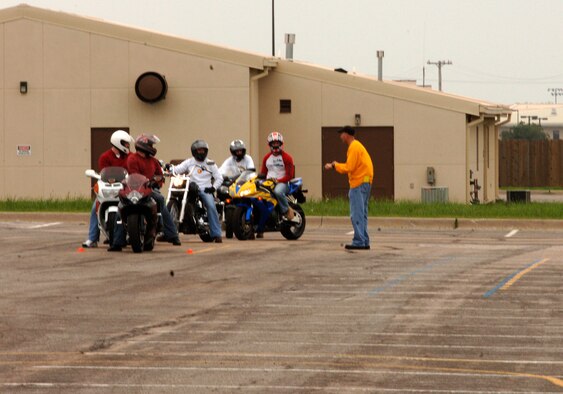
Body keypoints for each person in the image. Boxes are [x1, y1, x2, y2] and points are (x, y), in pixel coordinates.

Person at [108, 133, 181, 251]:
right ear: (143, 146)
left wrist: (157, 182)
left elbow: (160, 176)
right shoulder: (133, 159)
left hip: (150, 189)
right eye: (151, 145)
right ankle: (117, 242)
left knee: (160, 199)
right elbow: (134, 175)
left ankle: (171, 234)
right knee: (120, 207)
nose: (153, 147)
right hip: (134, 189)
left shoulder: (154, 161)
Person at [324, 125, 373, 250]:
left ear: (346, 135)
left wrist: (335, 165)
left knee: (356, 214)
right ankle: (364, 240)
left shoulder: (353, 147)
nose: (340, 136)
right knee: (362, 214)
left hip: (358, 183)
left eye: (341, 134)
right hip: (366, 182)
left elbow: (349, 167)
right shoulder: (358, 146)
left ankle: (359, 241)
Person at [82, 130, 133, 248]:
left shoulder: (130, 156)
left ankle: (133, 233)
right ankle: (92, 238)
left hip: (125, 189)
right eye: (125, 143)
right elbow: (104, 173)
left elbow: (132, 172)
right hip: (110, 189)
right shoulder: (105, 157)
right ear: (118, 142)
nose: (127, 146)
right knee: (95, 207)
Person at [172, 139, 224, 243]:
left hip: (206, 189)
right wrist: (170, 168)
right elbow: (177, 169)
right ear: (194, 151)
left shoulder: (210, 163)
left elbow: (219, 178)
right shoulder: (189, 162)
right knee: (177, 198)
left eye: (203, 150)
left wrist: (213, 188)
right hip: (191, 187)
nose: (201, 152)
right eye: (199, 150)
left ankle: (216, 234)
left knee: (211, 205)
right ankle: (168, 232)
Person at [259, 132, 295, 237]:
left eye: (277, 143)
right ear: (269, 144)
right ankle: (259, 227)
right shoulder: (266, 158)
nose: (275, 145)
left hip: (283, 183)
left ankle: (286, 211)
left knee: (278, 191)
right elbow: (263, 173)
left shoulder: (287, 158)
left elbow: (289, 175)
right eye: (273, 143)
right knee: (258, 197)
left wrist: (278, 181)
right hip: (268, 183)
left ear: (281, 143)